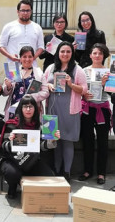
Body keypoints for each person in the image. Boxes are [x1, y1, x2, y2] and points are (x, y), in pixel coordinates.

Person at [0, 95, 60, 199]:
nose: (28, 109)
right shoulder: (12, 125)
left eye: (31, 106)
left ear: (35, 109)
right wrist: (11, 142)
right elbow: (3, 147)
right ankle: (12, 186)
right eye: (25, 106)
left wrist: (52, 140)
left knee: (49, 176)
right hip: (12, 160)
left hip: (31, 159)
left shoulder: (39, 126)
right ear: (20, 108)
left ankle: (30, 186)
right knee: (12, 173)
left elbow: (41, 147)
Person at [44, 41, 87, 182]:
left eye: (68, 51)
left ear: (72, 53)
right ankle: (57, 171)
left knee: (67, 141)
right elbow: (43, 84)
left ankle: (67, 172)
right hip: (52, 109)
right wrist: (49, 84)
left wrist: (71, 84)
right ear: (58, 53)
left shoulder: (77, 70)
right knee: (55, 141)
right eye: (62, 51)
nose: (65, 54)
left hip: (69, 110)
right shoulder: (50, 68)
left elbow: (84, 90)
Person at [78, 43, 111, 185]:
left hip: (102, 109)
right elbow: (80, 89)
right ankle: (87, 170)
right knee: (87, 140)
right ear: (90, 55)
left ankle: (101, 173)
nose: (97, 56)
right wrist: (84, 95)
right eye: (95, 53)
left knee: (103, 141)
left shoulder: (109, 72)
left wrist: (105, 85)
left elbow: (112, 93)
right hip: (88, 109)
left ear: (104, 56)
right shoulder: (84, 71)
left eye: (100, 53)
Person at [2, 46, 48, 121]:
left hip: (32, 111)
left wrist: (32, 96)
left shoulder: (39, 73)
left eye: (30, 56)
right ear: (20, 58)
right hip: (14, 110)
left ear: (33, 58)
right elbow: (4, 93)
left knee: (31, 130)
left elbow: (45, 92)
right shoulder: (13, 71)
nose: (27, 59)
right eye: (24, 56)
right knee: (15, 131)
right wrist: (8, 87)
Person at [0, 0, 44, 67]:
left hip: (32, 65)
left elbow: (41, 47)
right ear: (18, 11)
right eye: (23, 10)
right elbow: (0, 45)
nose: (25, 13)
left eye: (28, 10)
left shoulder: (37, 27)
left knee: (33, 78)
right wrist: (10, 56)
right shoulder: (9, 26)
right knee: (11, 78)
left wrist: (33, 58)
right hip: (13, 65)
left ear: (31, 12)